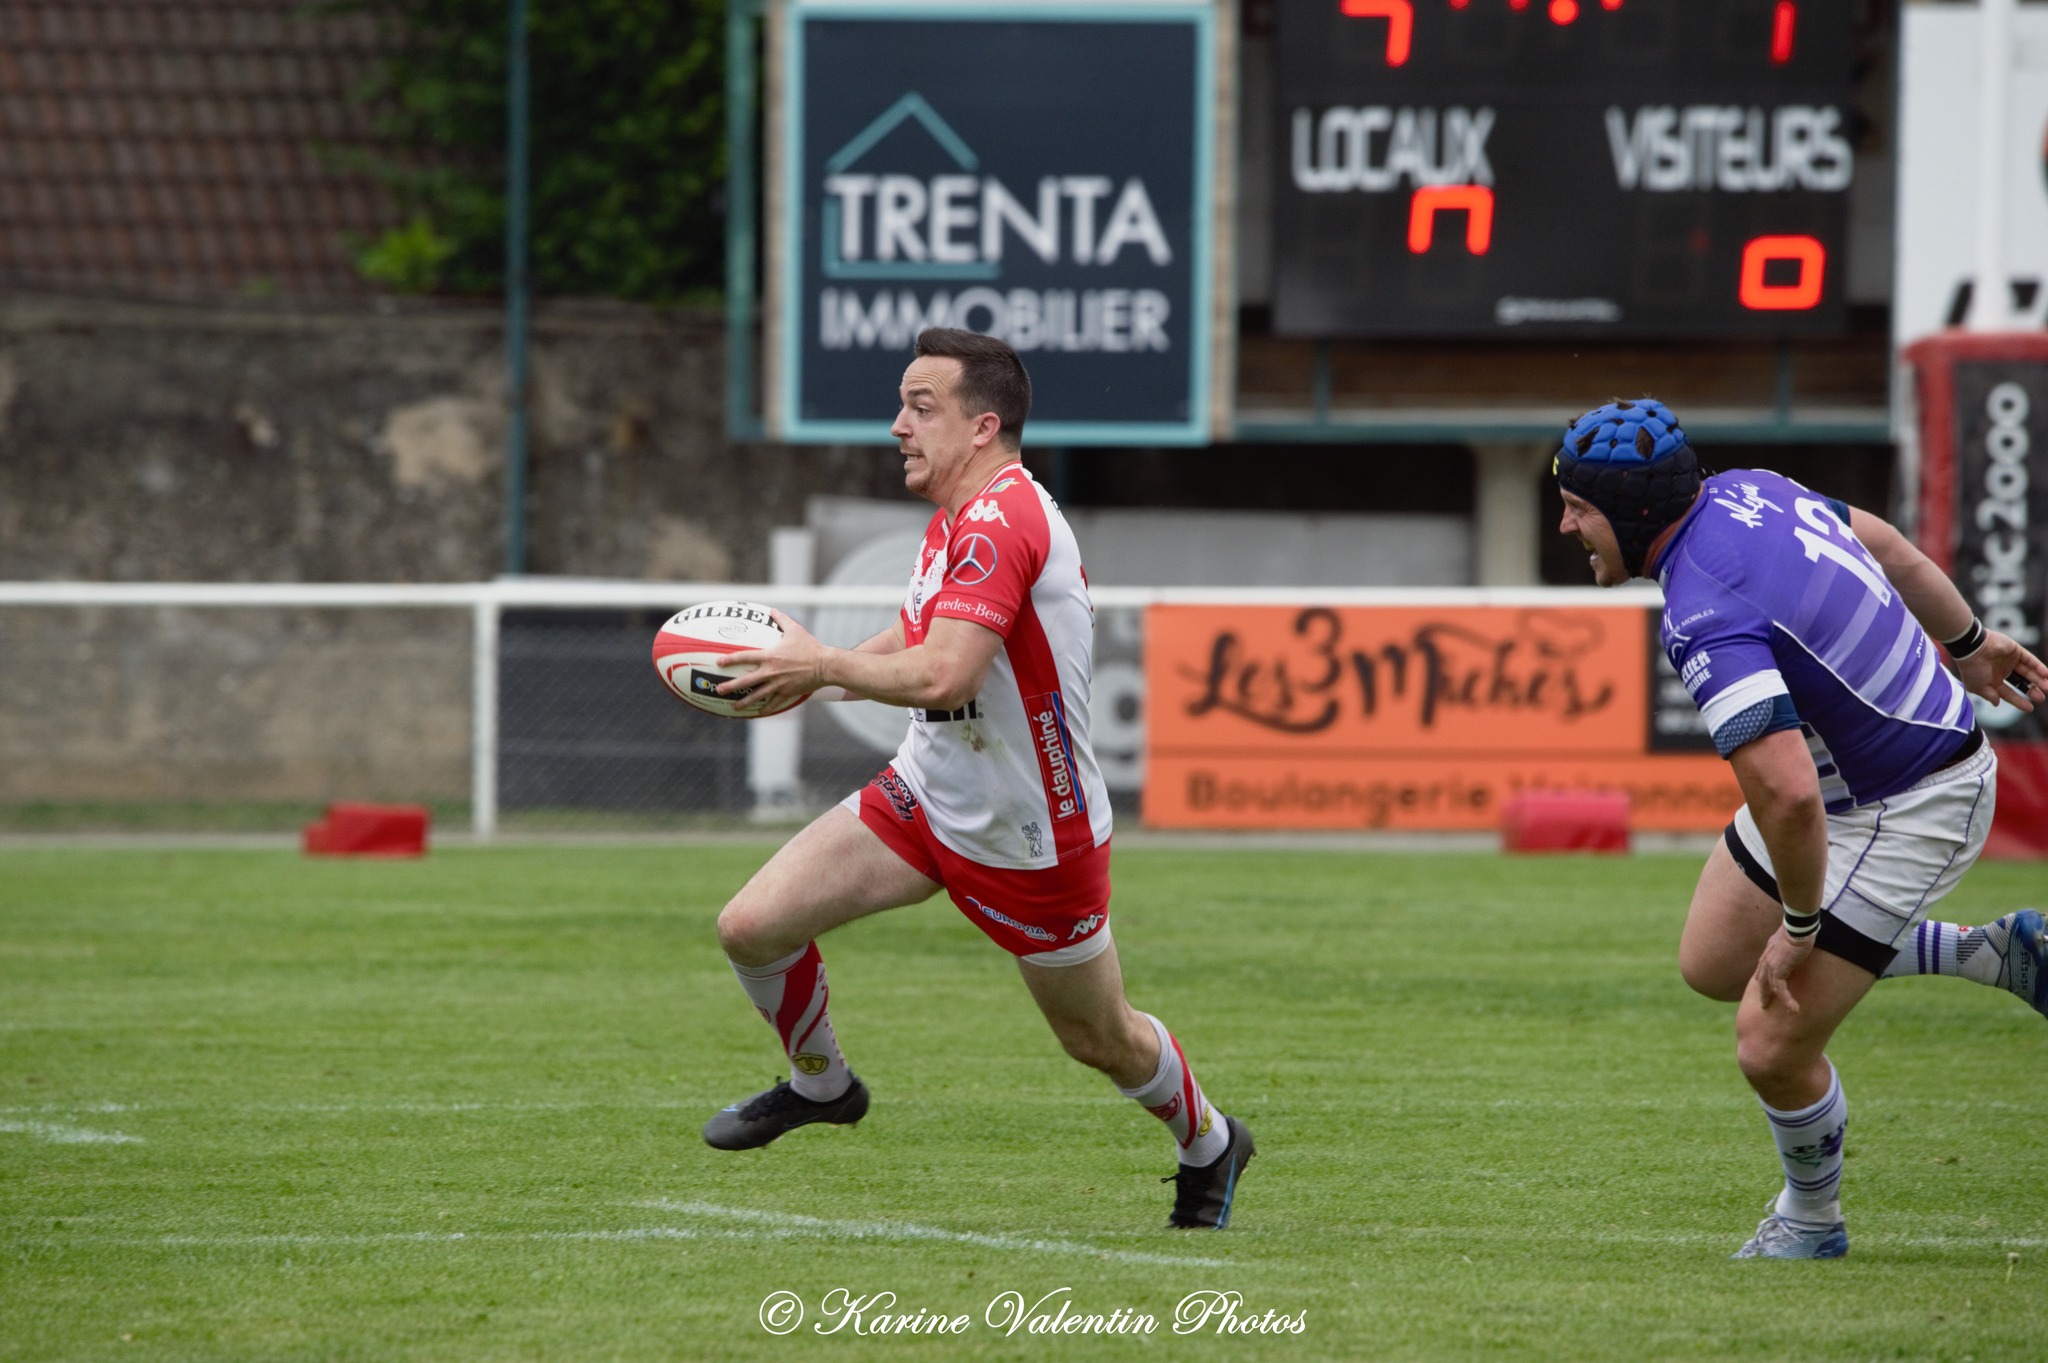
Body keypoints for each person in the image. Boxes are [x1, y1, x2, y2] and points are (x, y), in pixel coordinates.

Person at [699, 328, 1253, 1229]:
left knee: (1099, 1038)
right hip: (927, 795)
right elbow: (914, 637)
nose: (898, 426)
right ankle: (822, 1084)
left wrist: (824, 663)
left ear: (983, 426)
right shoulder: (958, 518)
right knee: (752, 925)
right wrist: (801, 675)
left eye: (921, 408)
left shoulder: (1004, 521)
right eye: (902, 407)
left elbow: (946, 675)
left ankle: (1210, 1140)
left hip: (1031, 834)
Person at [1555, 398, 2048, 1260]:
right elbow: (1885, 543)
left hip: (1913, 803)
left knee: (1769, 1041)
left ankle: (1810, 1222)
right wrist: (1968, 640)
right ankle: (1993, 954)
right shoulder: (1750, 486)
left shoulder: (1703, 612)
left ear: (1632, 514)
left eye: (1577, 507)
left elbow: (1785, 798)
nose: (1566, 526)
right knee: (1712, 962)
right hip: (1853, 782)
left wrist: (1799, 926)